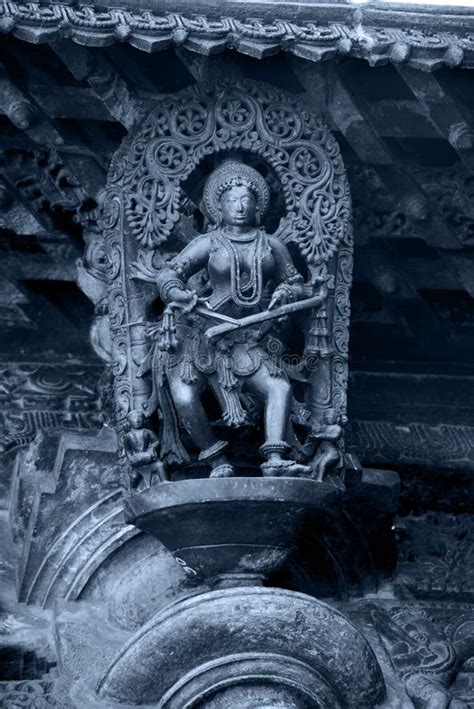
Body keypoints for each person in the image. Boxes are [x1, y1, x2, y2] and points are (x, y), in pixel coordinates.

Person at [151, 160, 315, 478]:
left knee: (279, 387)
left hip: (248, 336)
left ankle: (275, 458)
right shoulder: (209, 243)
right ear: (219, 208)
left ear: (256, 207)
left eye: (246, 201)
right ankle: (216, 460)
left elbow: (296, 282)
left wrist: (286, 292)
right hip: (204, 332)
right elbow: (170, 273)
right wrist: (178, 294)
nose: (239, 207)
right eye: (231, 201)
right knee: (184, 396)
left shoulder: (272, 245)